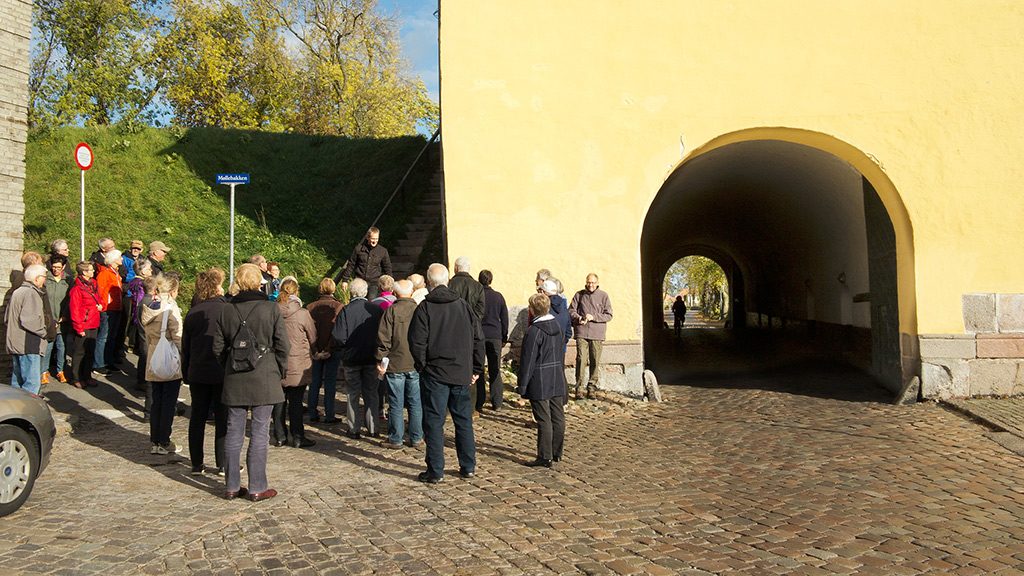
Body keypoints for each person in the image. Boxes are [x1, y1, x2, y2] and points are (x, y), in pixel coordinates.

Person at [213, 263, 289, 502]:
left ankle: (232, 485)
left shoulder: (225, 310)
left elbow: (217, 347)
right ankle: (257, 485)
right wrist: (279, 369)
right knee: (259, 431)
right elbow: (283, 346)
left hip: (235, 375)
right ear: (259, 283)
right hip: (264, 373)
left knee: (233, 430)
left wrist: (230, 364)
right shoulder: (270, 308)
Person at [408, 263, 484, 483]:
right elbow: (478, 339)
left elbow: (416, 342)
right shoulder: (463, 306)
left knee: (434, 421)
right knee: (463, 420)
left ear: (429, 283)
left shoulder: (425, 308)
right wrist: (476, 368)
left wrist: (423, 366)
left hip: (436, 373)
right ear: (447, 281)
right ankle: (468, 465)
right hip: (459, 371)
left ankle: (436, 470)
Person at [181, 268, 230, 475]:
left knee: (198, 418)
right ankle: (222, 463)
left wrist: (186, 373)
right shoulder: (226, 310)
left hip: (198, 370)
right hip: (221, 371)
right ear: (217, 286)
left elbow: (186, 347)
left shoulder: (193, 313)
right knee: (222, 418)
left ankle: (196, 462)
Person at [516, 293, 566, 468]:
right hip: (556, 376)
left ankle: (545, 456)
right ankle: (556, 452)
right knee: (558, 416)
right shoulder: (557, 326)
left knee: (544, 418)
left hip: (540, 379)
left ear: (532, 310)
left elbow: (528, 361)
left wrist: (522, 386)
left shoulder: (534, 331)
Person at [332, 278, 383, 439]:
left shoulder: (346, 311)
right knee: (371, 393)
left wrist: (348, 345)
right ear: (366, 292)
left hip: (351, 358)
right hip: (371, 356)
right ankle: (373, 427)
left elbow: (339, 336)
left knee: (352, 394)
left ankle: (354, 428)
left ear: (351, 293)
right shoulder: (376, 310)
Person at [376, 279, 423, 449]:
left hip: (395, 363)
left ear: (395, 293)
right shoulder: (418, 310)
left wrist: (380, 360)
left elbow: (383, 338)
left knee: (396, 402)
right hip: (414, 363)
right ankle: (417, 437)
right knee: (415, 401)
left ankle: (395, 438)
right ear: (411, 292)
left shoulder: (391, 311)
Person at [140, 274, 184, 455]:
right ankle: (165, 440)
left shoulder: (150, 306)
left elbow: (148, 335)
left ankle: (155, 440)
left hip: (153, 357)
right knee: (168, 402)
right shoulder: (171, 310)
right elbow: (178, 337)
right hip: (169, 358)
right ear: (174, 291)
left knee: (156, 401)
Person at [274, 278, 317, 448]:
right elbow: (313, 336)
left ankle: (279, 435)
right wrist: (315, 352)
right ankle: (298, 436)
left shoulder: (272, 311)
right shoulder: (302, 313)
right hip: (298, 361)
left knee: (278, 401)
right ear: (296, 292)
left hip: (277, 361)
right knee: (296, 402)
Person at [448, 257, 486, 410]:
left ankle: (450, 406)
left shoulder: (449, 284)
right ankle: (470, 407)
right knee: (469, 367)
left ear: (456, 269)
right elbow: (480, 310)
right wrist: (470, 322)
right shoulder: (477, 287)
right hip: (471, 331)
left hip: (451, 330)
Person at [5, 265, 49, 395]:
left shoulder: (17, 291)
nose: (45, 281)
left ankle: (15, 408)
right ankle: (27, 411)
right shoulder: (31, 292)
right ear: (37, 278)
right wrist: (45, 332)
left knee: (17, 381)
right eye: (44, 277)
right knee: (32, 383)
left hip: (16, 342)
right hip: (28, 344)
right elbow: (30, 321)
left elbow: (7, 318)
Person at [569, 273, 613, 400]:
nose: (591, 285)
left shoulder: (604, 296)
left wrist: (594, 317)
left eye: (593, 282)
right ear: (586, 282)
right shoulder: (579, 295)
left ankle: (592, 388)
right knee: (581, 359)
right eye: (589, 282)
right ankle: (579, 388)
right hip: (582, 332)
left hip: (597, 334)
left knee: (595, 360)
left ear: (597, 283)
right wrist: (578, 318)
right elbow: (571, 310)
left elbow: (609, 315)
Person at [306, 278, 344, 424]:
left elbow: (308, 331)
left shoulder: (310, 307)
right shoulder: (338, 307)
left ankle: (312, 412)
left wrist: (315, 349)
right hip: (333, 350)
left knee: (314, 381)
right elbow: (337, 331)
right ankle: (329, 414)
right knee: (329, 382)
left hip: (315, 349)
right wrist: (329, 349)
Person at [67, 260, 102, 389]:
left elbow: (99, 298)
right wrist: (79, 327)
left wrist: (101, 305)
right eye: (91, 270)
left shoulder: (94, 284)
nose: (93, 272)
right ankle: (76, 377)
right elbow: (74, 309)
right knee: (79, 352)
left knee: (90, 352)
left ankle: (87, 376)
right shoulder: (77, 288)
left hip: (94, 322)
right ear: (84, 272)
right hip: (84, 323)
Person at [478, 270, 508, 410]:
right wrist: (504, 336)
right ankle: (497, 402)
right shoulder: (498, 297)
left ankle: (479, 400)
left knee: (478, 368)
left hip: (480, 335)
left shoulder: (477, 296)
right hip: (495, 335)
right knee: (495, 369)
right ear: (491, 281)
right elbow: (505, 318)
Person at [340, 227, 392, 299]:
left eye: (376, 239)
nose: (375, 241)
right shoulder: (358, 249)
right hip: (359, 282)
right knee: (356, 302)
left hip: (373, 284)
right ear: (367, 237)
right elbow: (351, 265)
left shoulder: (382, 251)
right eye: (373, 239)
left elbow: (387, 267)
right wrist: (345, 280)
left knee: (371, 304)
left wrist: (390, 284)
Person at [94, 250, 123, 373]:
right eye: (120, 257)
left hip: (117, 308)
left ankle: (108, 361)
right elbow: (100, 290)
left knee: (112, 336)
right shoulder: (105, 273)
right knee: (104, 337)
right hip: (108, 309)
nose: (122, 259)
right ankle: (98, 364)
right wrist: (102, 304)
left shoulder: (115, 273)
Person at [44, 255, 71, 384]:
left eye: (58, 267)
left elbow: (70, 300)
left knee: (62, 346)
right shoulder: (45, 280)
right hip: (49, 319)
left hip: (62, 319)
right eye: (53, 267)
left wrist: (64, 316)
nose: (55, 270)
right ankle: (44, 371)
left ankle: (61, 371)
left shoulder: (68, 280)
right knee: (48, 347)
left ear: (64, 267)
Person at [540, 279, 572, 353]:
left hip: (545, 349)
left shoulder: (542, 308)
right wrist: (562, 342)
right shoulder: (564, 307)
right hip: (560, 348)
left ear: (543, 292)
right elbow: (568, 331)